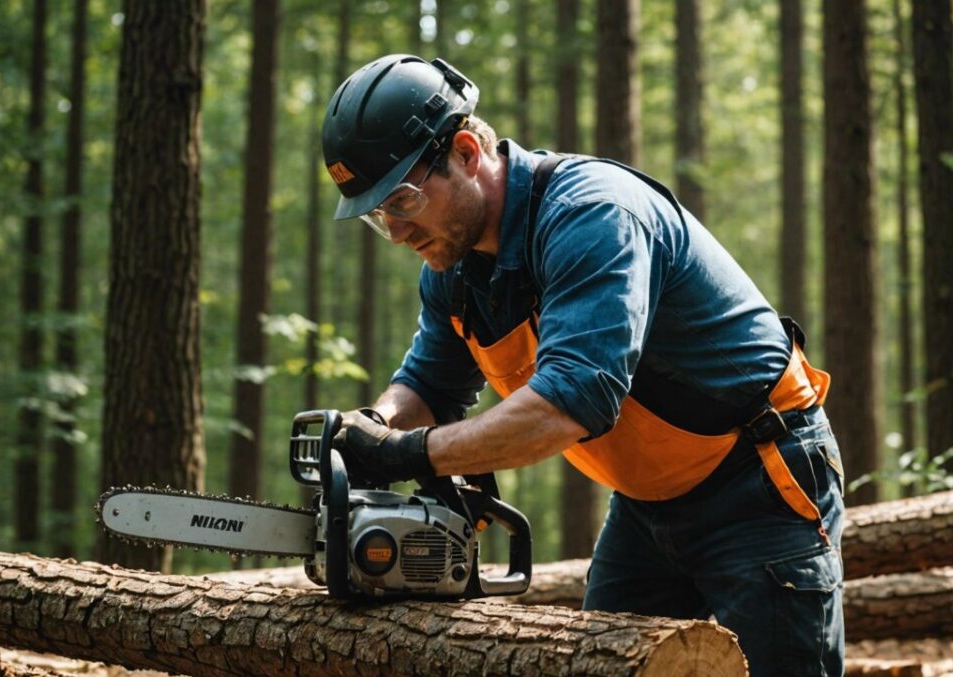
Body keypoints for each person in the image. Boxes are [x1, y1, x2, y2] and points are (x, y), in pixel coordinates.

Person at [322, 53, 845, 676]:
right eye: (382, 219)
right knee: (605, 665)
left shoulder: (591, 213)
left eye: (404, 200)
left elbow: (570, 402)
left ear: (465, 152)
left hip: (757, 478)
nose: (400, 231)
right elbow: (429, 382)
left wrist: (409, 453)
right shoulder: (453, 267)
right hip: (647, 502)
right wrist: (373, 425)